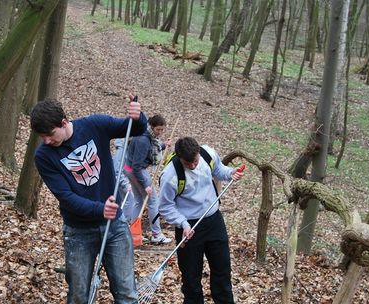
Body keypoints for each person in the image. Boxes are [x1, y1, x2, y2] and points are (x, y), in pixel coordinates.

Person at [31, 97, 147, 304]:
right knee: (78, 296)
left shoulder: (94, 125)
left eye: (49, 134)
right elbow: (66, 197)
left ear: (64, 122)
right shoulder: (44, 156)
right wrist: (99, 209)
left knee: (126, 292)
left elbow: (132, 128)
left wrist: (138, 117)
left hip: (115, 227)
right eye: (42, 137)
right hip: (79, 232)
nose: (47, 141)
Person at [158, 137, 243, 304]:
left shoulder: (207, 154)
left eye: (195, 161)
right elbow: (166, 207)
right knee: (191, 278)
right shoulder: (170, 175)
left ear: (198, 153)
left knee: (222, 270)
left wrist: (230, 173)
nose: (193, 165)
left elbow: (218, 170)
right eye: (188, 163)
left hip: (214, 221)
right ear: (179, 157)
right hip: (188, 228)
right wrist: (182, 223)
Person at [123, 114, 172, 244]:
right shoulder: (142, 140)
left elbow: (151, 149)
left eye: (162, 130)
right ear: (151, 126)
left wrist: (163, 145)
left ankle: (134, 234)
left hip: (129, 169)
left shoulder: (147, 135)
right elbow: (137, 166)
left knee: (139, 200)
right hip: (135, 171)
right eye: (158, 130)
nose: (160, 132)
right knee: (153, 201)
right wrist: (145, 184)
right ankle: (156, 234)